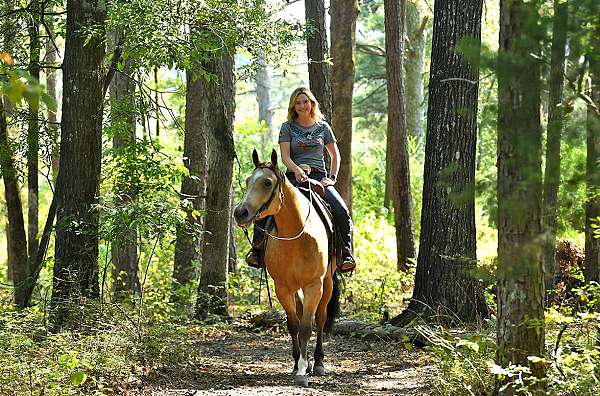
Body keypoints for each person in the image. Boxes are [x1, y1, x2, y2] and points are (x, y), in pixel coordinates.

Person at [245, 87, 356, 272]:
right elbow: (285, 157)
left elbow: (335, 155)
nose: (302, 105)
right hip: (292, 178)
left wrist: (332, 178)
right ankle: (257, 249)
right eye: (298, 102)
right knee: (266, 208)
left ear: (312, 103)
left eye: (305, 101)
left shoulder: (323, 127)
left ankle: (345, 253)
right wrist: (296, 170)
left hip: (319, 178)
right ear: (293, 106)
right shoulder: (287, 127)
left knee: (341, 210)